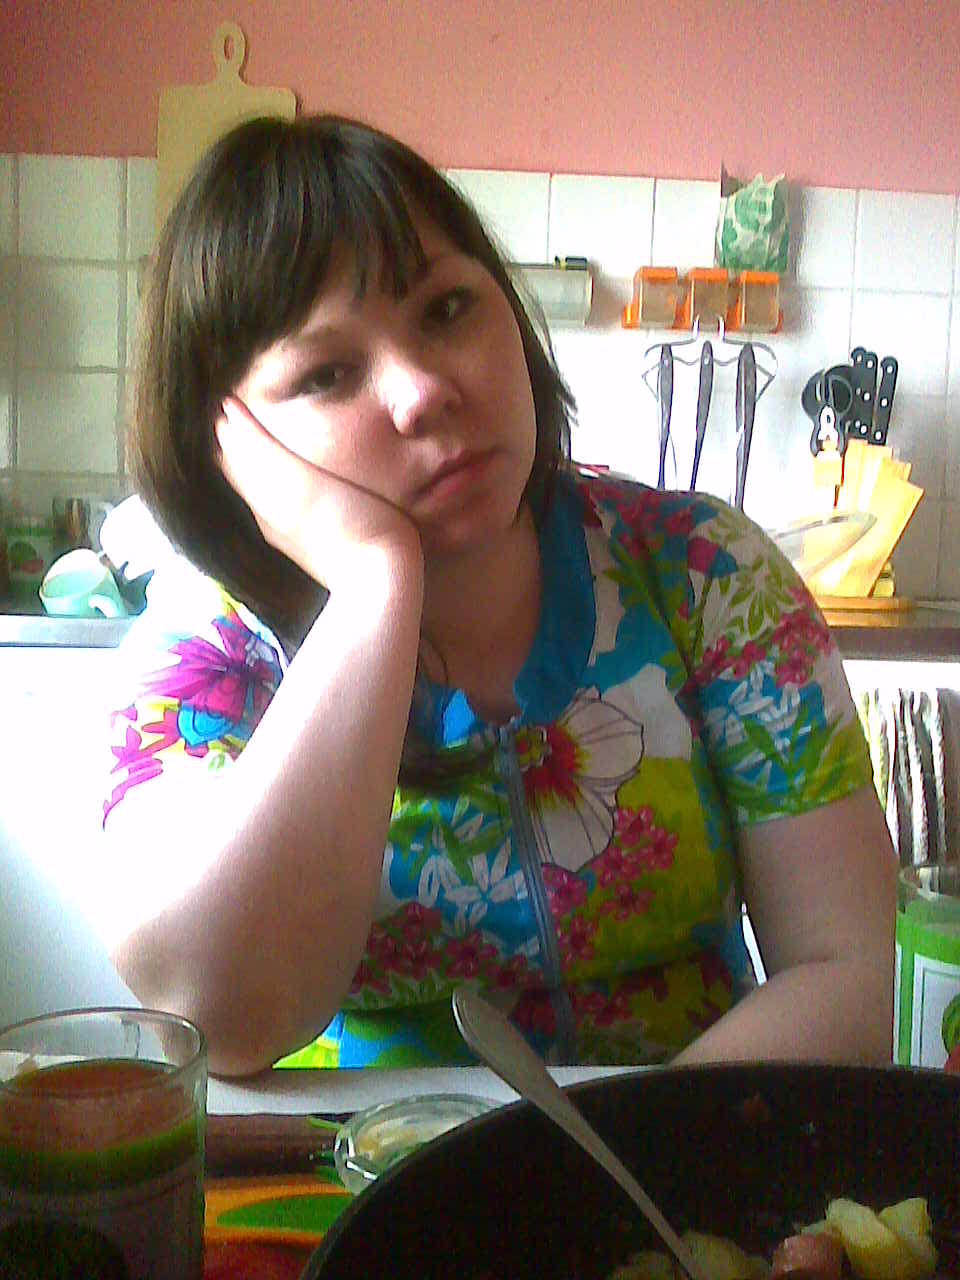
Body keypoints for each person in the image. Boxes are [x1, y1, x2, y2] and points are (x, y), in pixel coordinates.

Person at [99, 113, 897, 1078]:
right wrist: (376, 586)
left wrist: (607, 1155)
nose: (423, 390)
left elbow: (846, 975)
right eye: (327, 373)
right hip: (362, 1157)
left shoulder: (706, 576)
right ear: (228, 444)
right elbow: (216, 1019)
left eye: (445, 309)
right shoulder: (210, 653)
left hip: (688, 1146)